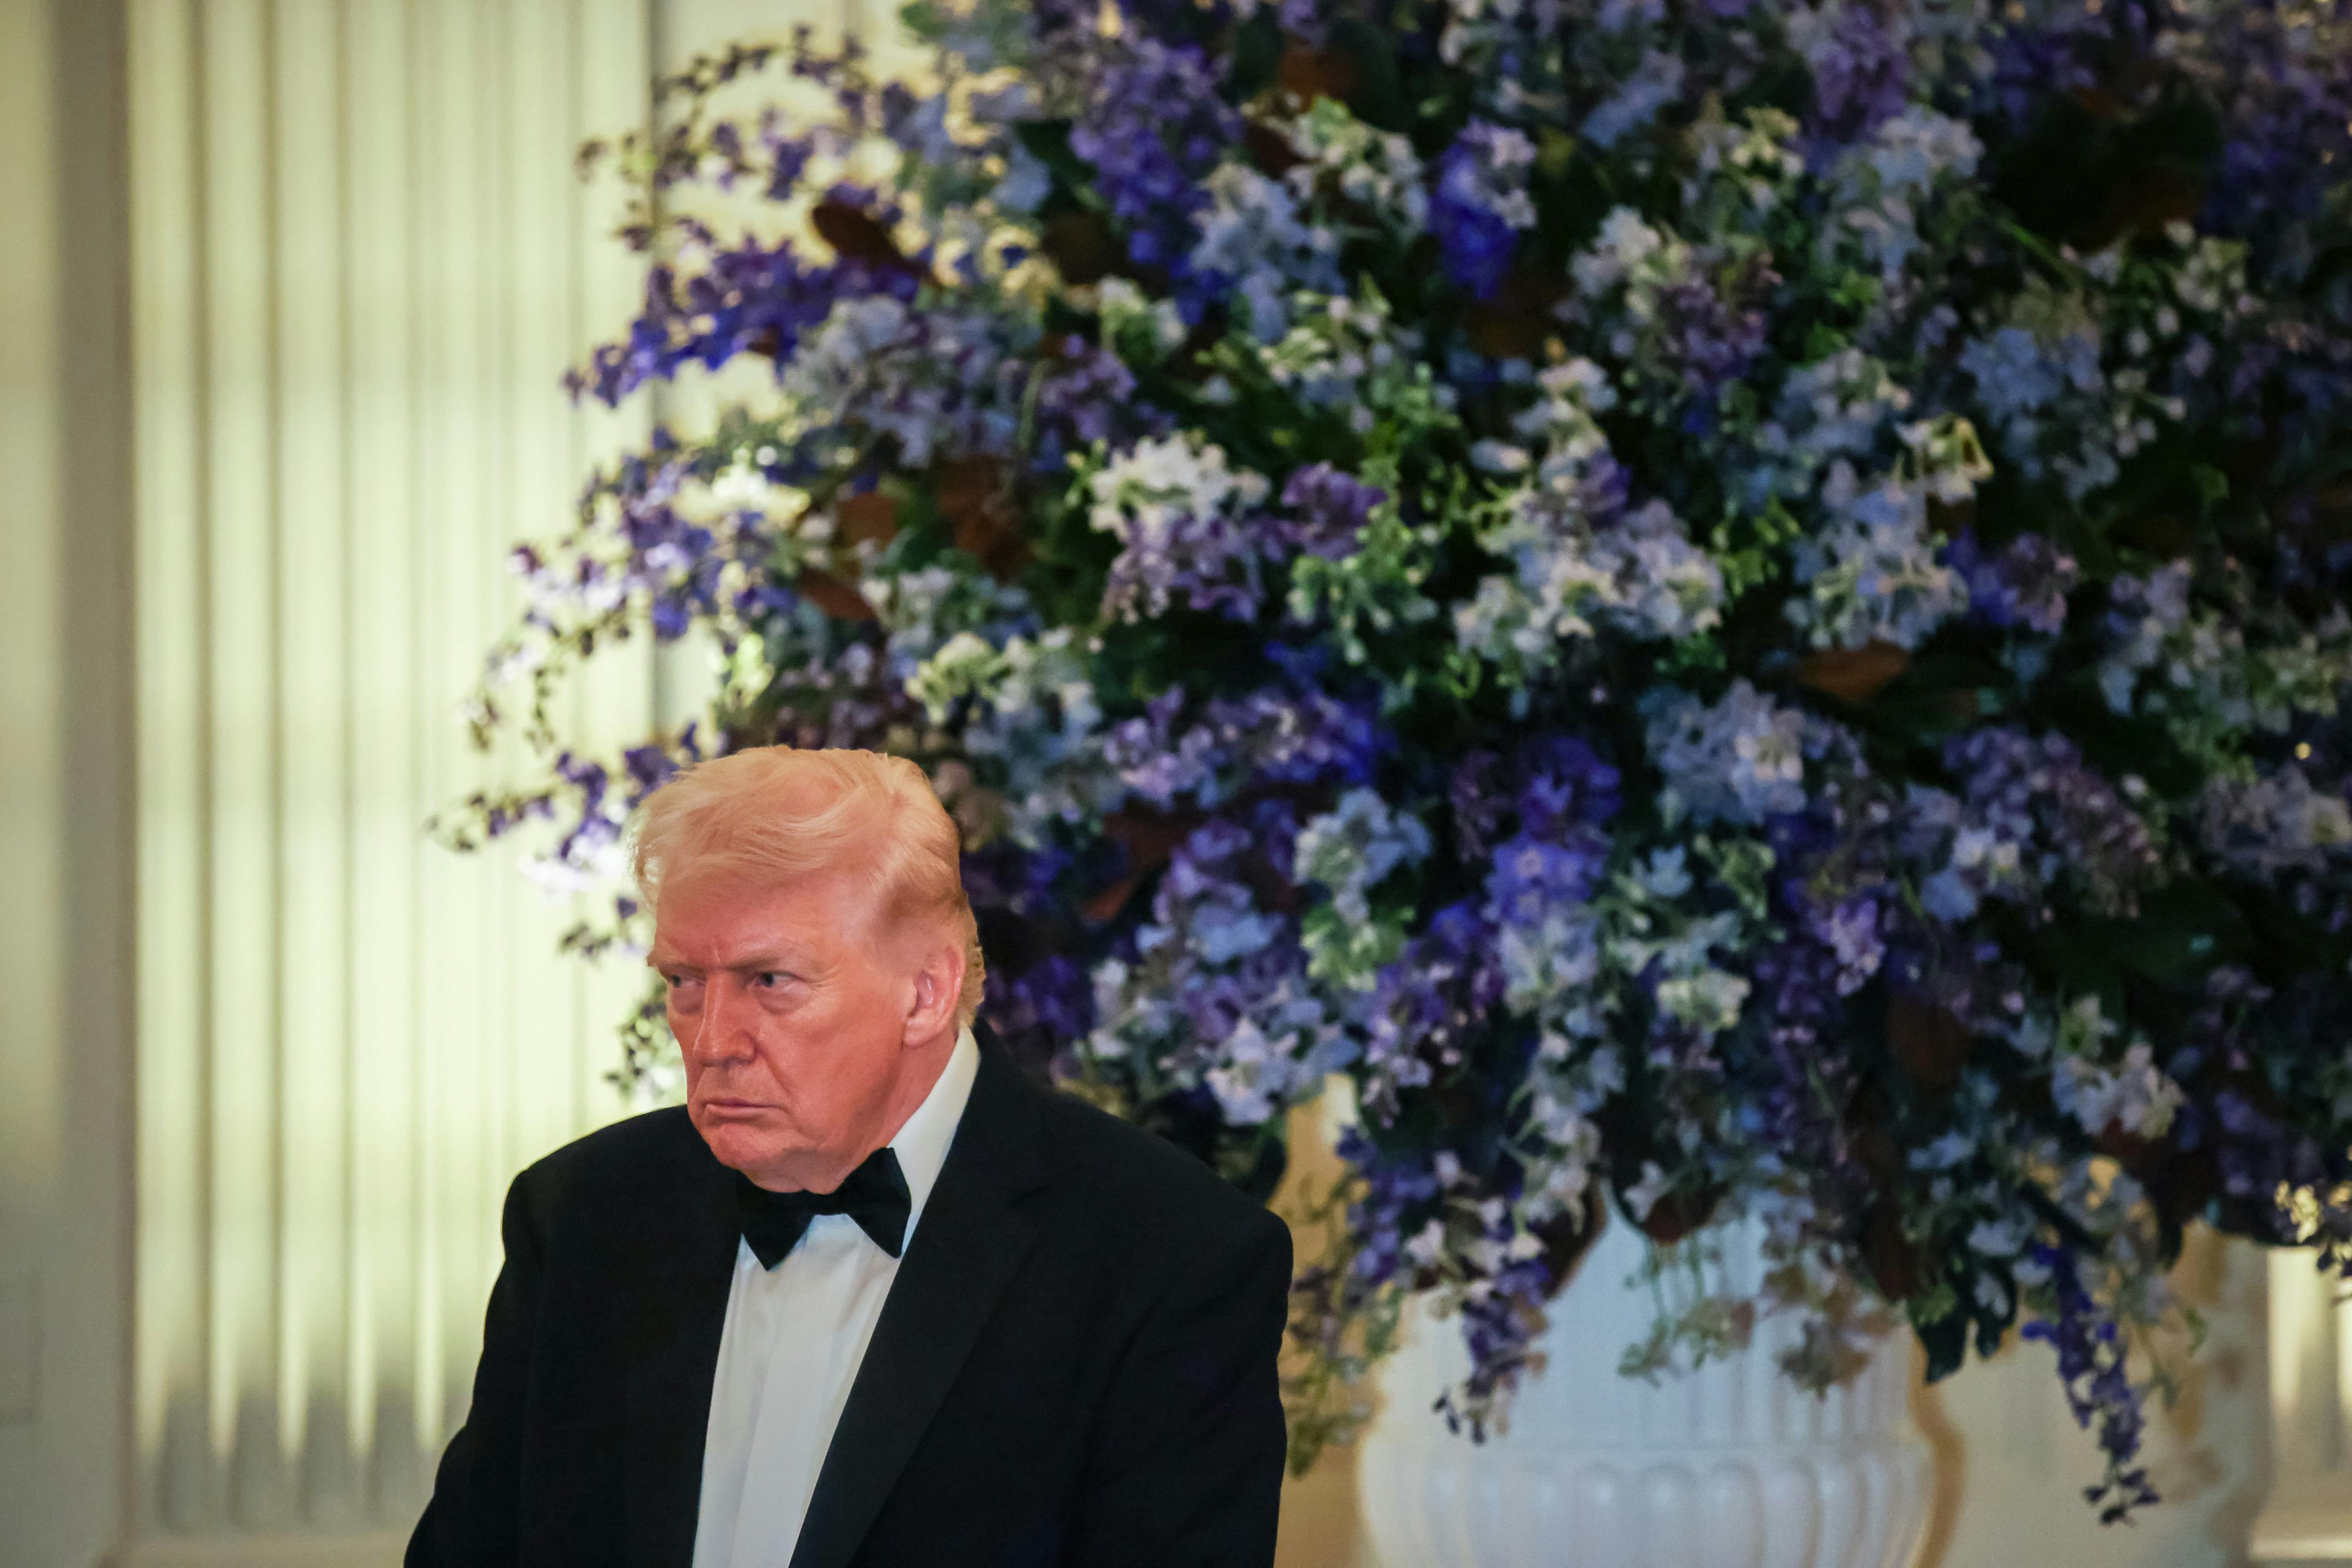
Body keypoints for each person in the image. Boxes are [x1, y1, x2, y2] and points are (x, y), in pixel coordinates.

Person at [407, 747, 1292, 1568]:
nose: (712, 1040)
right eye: (683, 984)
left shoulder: (1171, 1256)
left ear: (924, 992)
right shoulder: (583, 1213)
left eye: (770, 981)